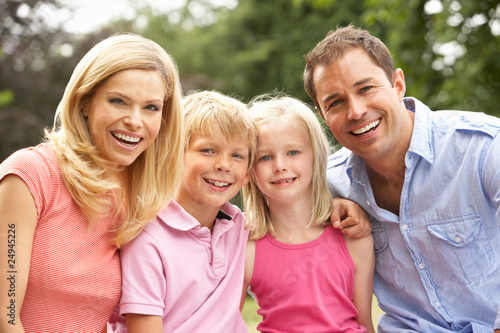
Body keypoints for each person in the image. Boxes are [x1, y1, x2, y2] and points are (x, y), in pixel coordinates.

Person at [303, 24, 500, 332]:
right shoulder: (328, 185)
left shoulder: (484, 148)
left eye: (366, 88)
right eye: (336, 102)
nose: (356, 111)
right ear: (322, 114)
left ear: (397, 84)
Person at [0, 33, 184, 332]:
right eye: (118, 101)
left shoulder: (136, 198)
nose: (135, 121)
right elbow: (4, 315)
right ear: (85, 102)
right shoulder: (30, 174)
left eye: (151, 107)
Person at [109, 90, 256, 333]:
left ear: (248, 173)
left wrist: (336, 205)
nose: (224, 165)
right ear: (173, 155)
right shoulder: (147, 238)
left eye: (237, 155)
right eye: (208, 150)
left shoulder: (241, 228)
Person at [241, 95, 375, 333]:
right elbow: (226, 321)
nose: (280, 165)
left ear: (317, 155)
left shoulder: (352, 235)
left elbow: (364, 323)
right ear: (249, 168)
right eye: (265, 157)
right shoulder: (245, 246)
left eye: (293, 152)